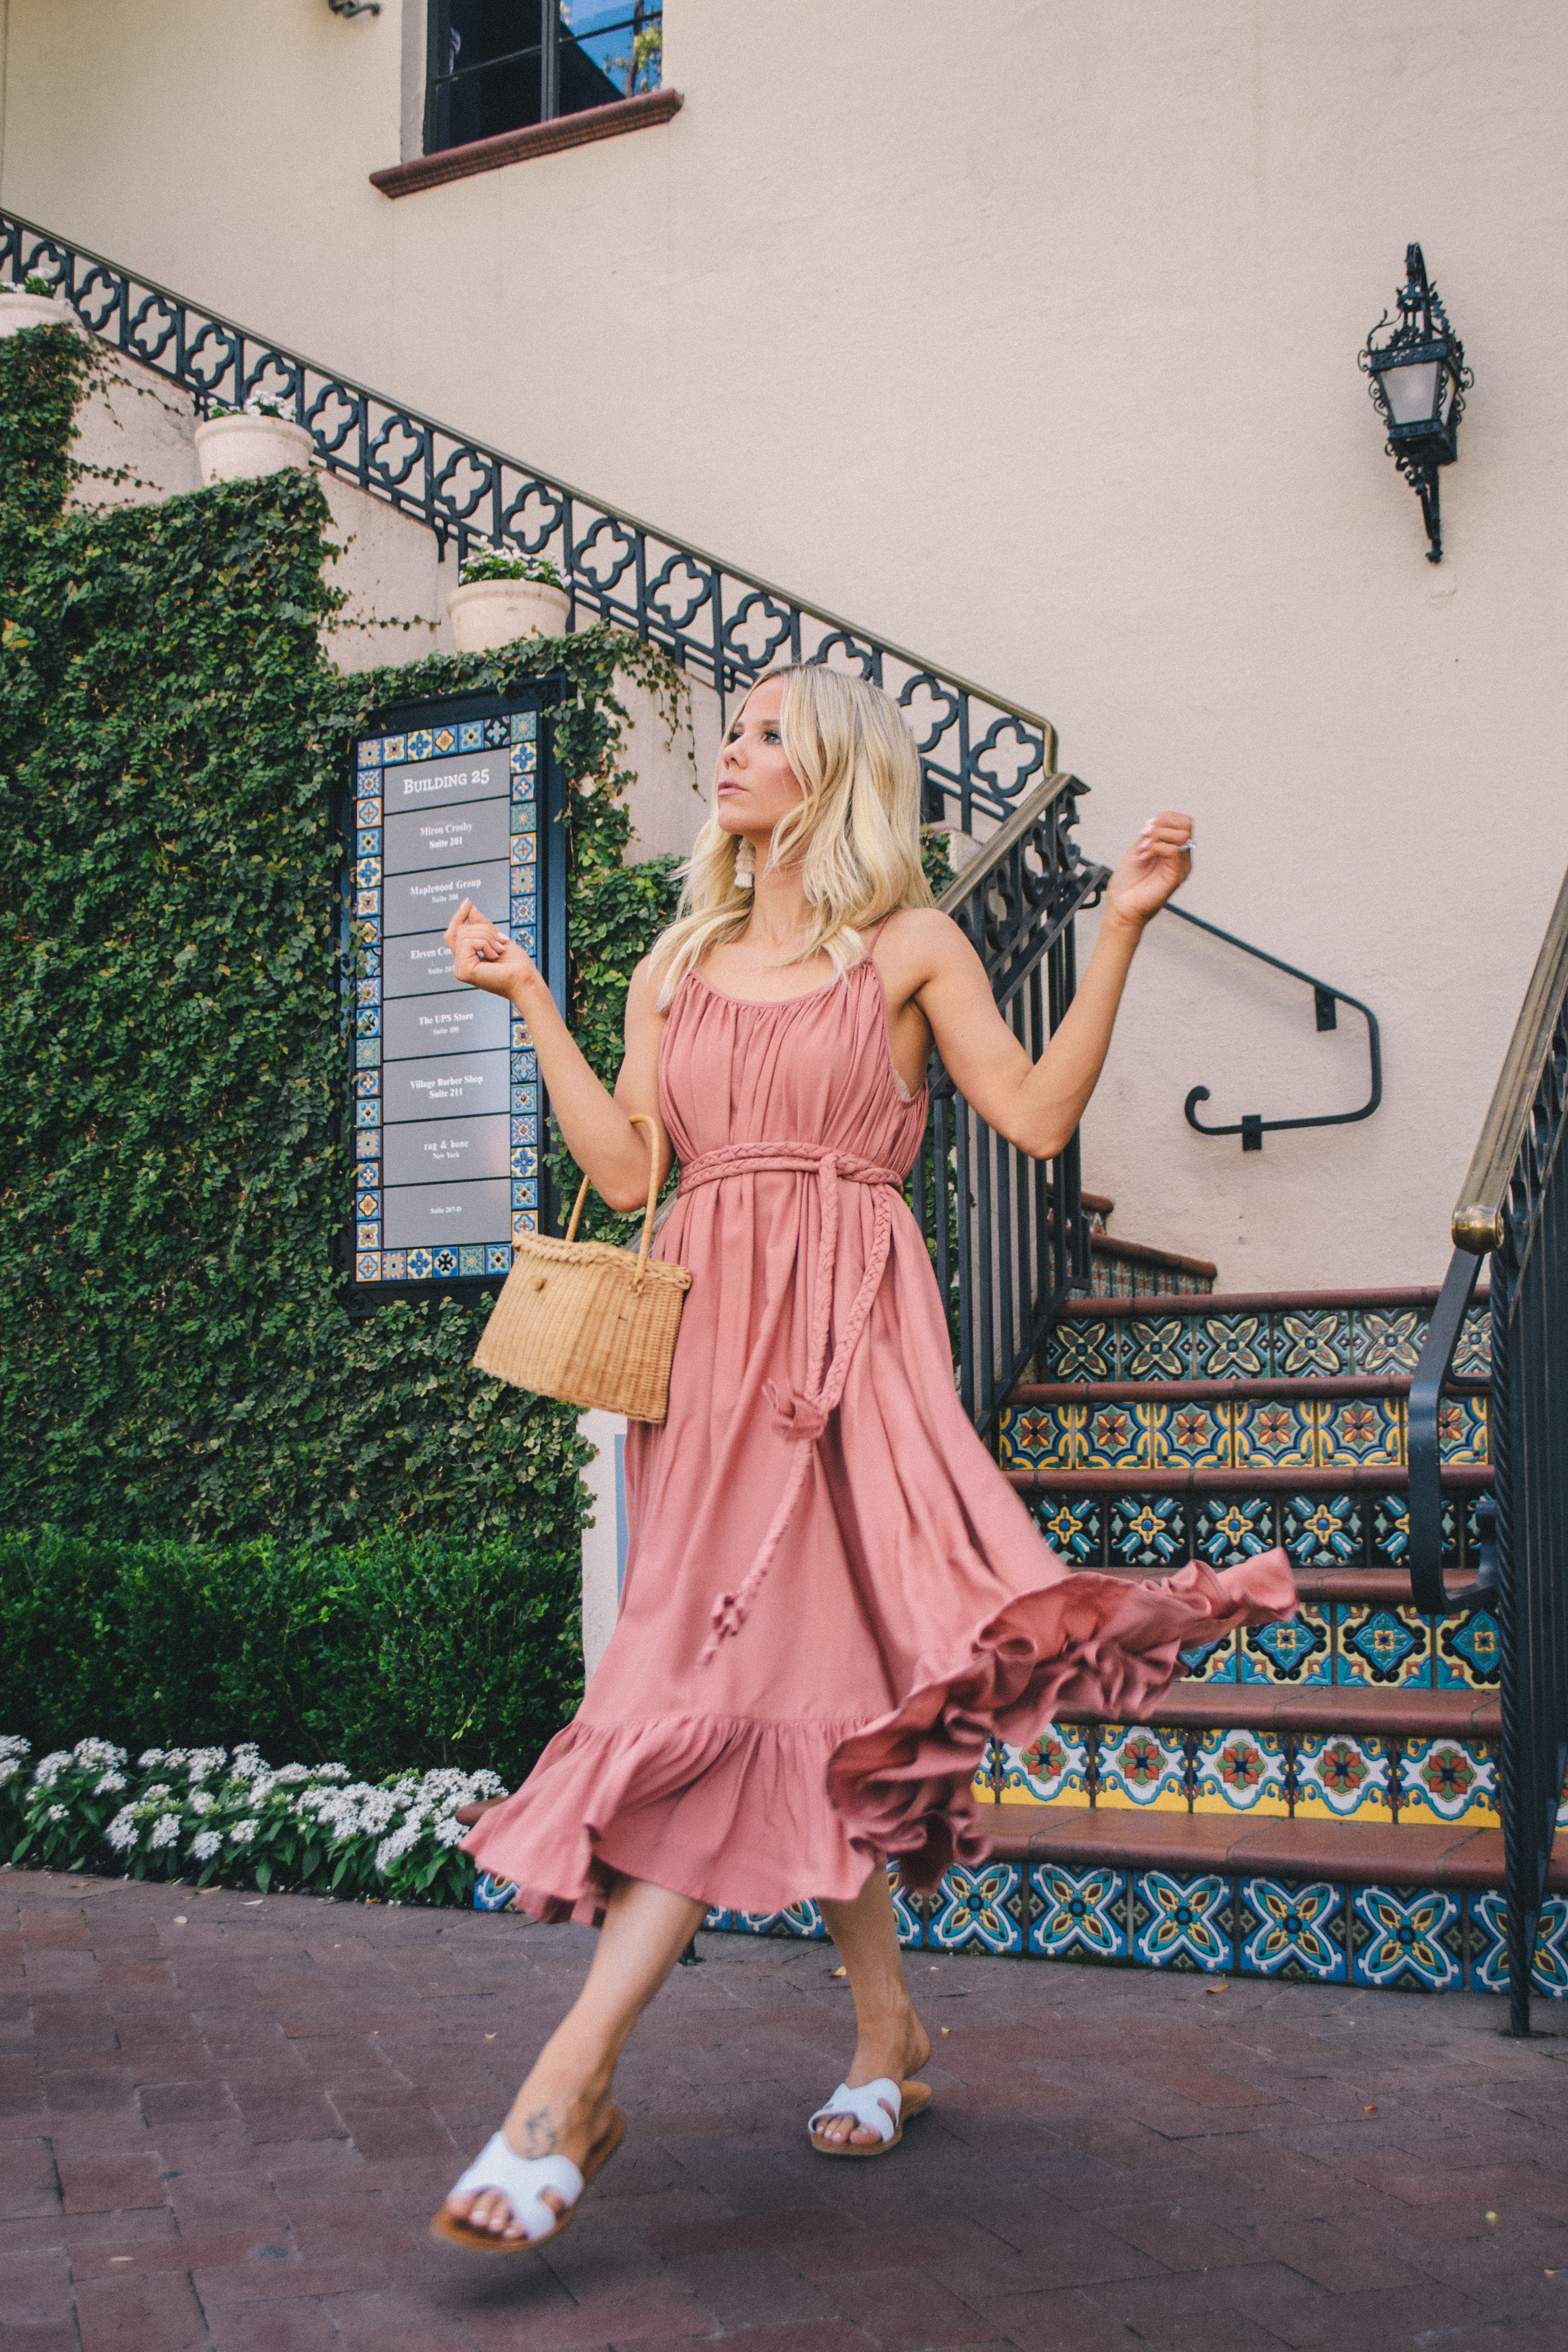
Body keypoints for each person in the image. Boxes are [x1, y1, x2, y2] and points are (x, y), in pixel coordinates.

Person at [432, 665, 1295, 2252]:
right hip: (700, 1374)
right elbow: (631, 1173)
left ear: (836, 775)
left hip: (841, 1371)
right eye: (735, 734)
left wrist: (1118, 934)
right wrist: (533, 1005)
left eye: (769, 738)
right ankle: (890, 2029)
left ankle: (564, 2093)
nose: (735, 756)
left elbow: (1033, 1118)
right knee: (795, 1703)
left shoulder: (910, 948)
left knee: (708, 1693)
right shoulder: (674, 965)